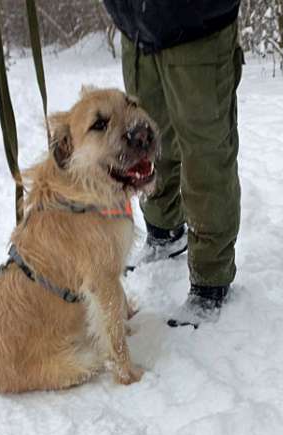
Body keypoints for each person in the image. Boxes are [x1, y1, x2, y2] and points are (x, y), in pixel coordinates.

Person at [102, 0, 244, 327]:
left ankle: (211, 279)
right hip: (135, 26)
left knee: (206, 154)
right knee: (145, 139)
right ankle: (164, 231)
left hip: (198, 24)